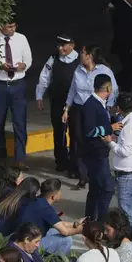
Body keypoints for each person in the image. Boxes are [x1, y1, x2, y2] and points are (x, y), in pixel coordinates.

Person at [62, 45, 119, 187]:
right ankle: (83, 175)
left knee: (96, 138)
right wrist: (66, 109)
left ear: (89, 56)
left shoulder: (104, 71)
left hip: (97, 108)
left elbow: (114, 90)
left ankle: (96, 171)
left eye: (82, 53)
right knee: (77, 141)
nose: (79, 55)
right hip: (79, 109)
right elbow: (72, 90)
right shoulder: (78, 70)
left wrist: (108, 108)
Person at [104, 92, 132, 258]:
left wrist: (109, 143)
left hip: (129, 174)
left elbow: (124, 150)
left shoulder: (130, 126)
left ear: (119, 108)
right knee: (131, 211)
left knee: (128, 212)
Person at [0, 17, 32, 171]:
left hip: (18, 85)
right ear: (1, 26)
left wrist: (24, 65)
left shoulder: (21, 38)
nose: (12, 29)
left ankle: (20, 158)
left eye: (14, 26)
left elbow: (28, 58)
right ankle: (1, 157)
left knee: (19, 123)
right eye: (9, 27)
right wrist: (0, 66)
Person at [35, 34, 80, 172]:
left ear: (72, 45)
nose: (60, 48)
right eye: (59, 45)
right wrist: (39, 96)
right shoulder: (53, 59)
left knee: (75, 132)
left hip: (75, 103)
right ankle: (61, 160)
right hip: (58, 101)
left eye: (63, 45)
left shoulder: (79, 60)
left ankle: (75, 163)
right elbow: (44, 77)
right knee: (59, 132)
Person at [82, 74, 123, 220]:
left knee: (95, 189)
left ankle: (89, 219)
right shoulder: (91, 105)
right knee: (107, 189)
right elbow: (89, 130)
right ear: (108, 88)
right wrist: (109, 128)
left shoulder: (98, 103)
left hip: (97, 152)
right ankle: (100, 221)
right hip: (96, 154)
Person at [15, 178, 85, 255]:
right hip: (29, 243)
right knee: (67, 240)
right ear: (53, 196)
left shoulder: (38, 200)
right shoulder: (46, 208)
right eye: (59, 191)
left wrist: (75, 224)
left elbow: (57, 223)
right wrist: (79, 230)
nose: (61, 193)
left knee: (54, 231)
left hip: (24, 236)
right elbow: (65, 231)